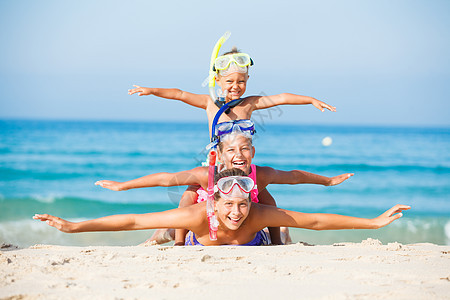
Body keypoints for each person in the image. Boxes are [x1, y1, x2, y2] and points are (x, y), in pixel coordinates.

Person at [95, 131, 354, 245]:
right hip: (207, 222)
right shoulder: (206, 174)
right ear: (220, 156)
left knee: (267, 198)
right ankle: (174, 240)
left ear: (252, 152)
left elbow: (294, 176)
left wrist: (327, 181)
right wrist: (123, 186)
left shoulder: (259, 174)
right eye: (231, 150)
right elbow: (166, 178)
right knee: (187, 191)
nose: (238, 155)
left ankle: (278, 241)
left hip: (246, 221)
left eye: (244, 149)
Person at [34, 169, 410, 246]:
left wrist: (374, 223)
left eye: (242, 204)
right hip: (203, 239)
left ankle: (283, 243)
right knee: (160, 227)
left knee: (289, 225)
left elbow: (315, 219)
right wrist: (73, 226)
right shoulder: (198, 214)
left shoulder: (259, 214)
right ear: (213, 200)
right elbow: (133, 218)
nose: (236, 212)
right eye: (228, 203)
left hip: (255, 245)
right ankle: (169, 239)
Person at [128, 47, 336, 135]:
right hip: (216, 165)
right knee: (187, 198)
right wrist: (152, 90)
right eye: (229, 81)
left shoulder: (250, 103)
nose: (235, 86)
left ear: (247, 80)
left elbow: (281, 98)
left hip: (243, 166)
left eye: (241, 81)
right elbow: (179, 94)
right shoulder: (209, 103)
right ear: (217, 80)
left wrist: (311, 100)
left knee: (269, 203)